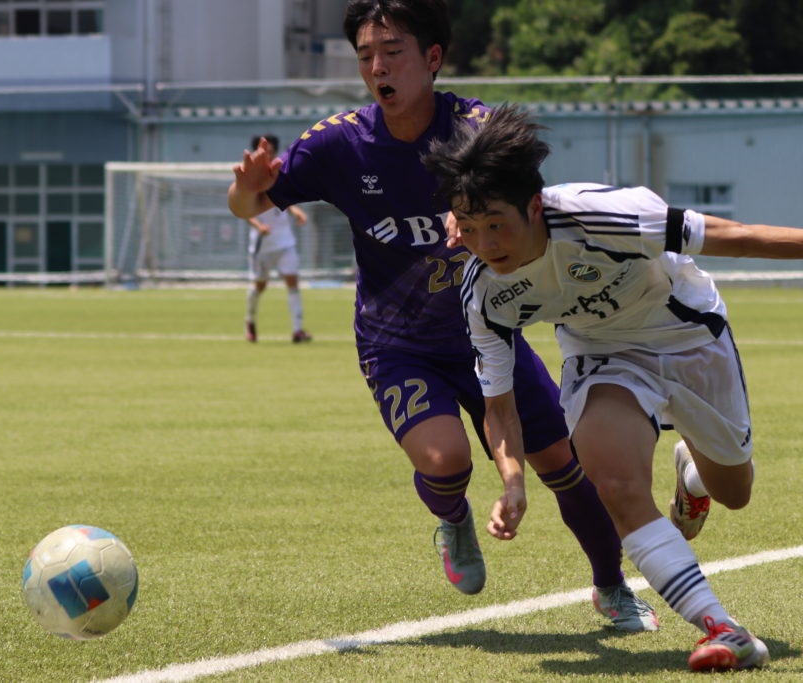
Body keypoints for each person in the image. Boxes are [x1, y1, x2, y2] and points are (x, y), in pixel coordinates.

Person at [228, 0, 657, 632]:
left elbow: (527, 204)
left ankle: (611, 587)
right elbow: (249, 205)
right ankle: (454, 520)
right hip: (396, 343)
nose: (378, 67)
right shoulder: (337, 143)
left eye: (392, 51)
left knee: (563, 464)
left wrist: (475, 205)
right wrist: (245, 190)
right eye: (366, 56)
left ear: (432, 57)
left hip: (488, 332)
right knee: (445, 459)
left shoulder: (476, 131)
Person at [422, 103, 791, 670]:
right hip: (603, 355)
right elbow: (499, 406)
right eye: (469, 229)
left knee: (734, 491)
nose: (486, 243)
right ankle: (724, 629)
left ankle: (693, 472)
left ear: (534, 206)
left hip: (689, 335)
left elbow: (737, 236)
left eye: (496, 224)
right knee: (614, 482)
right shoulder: (484, 293)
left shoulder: (603, 216)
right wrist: (513, 482)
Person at [243, 134, 313, 343]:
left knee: (293, 282)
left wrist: (295, 211)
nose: (270, 156)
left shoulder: (280, 173)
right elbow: (243, 209)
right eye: (266, 152)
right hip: (263, 245)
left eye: (272, 152)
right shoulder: (249, 177)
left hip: (285, 241)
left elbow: (281, 200)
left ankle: (297, 330)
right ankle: (250, 320)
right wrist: (258, 226)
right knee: (260, 286)